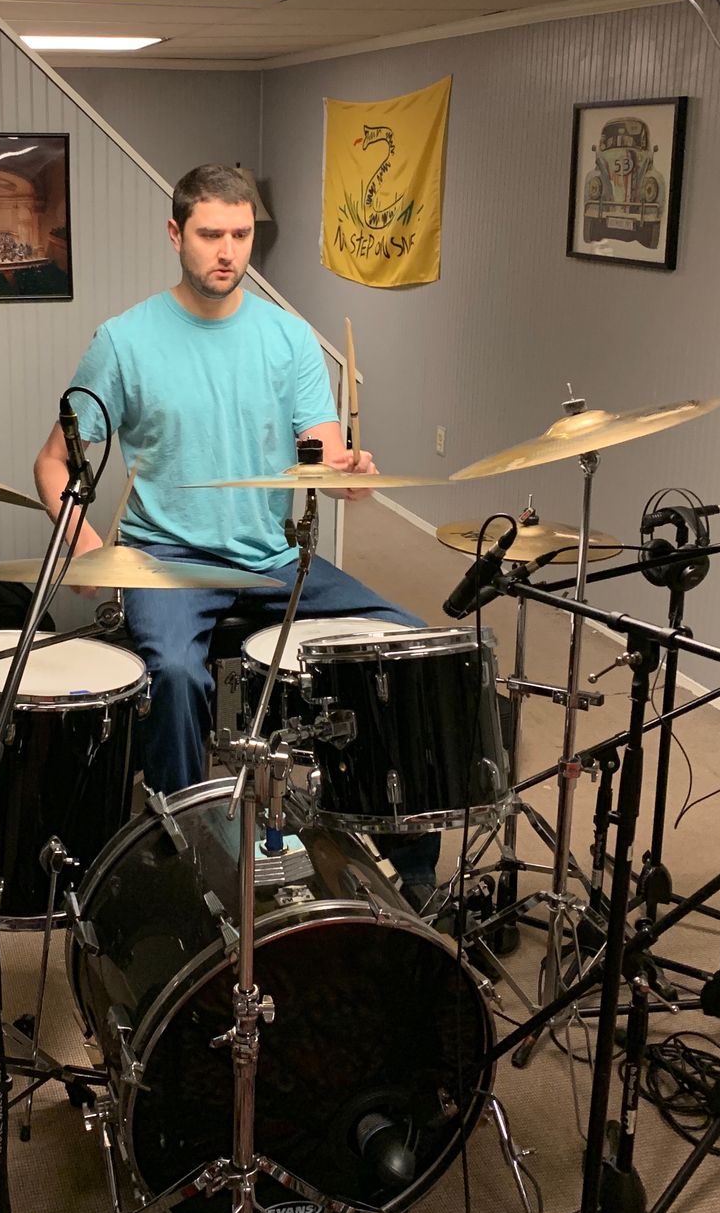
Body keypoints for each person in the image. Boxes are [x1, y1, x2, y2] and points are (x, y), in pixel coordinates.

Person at [33, 163, 437, 896]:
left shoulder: (288, 338)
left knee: (407, 648)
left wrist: (347, 472)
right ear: (175, 234)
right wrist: (87, 549)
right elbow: (55, 462)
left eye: (242, 235)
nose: (227, 252)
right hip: (167, 556)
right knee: (174, 673)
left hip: (271, 557)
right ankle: (187, 857)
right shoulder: (123, 341)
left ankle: (411, 874)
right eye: (210, 234)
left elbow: (320, 457)